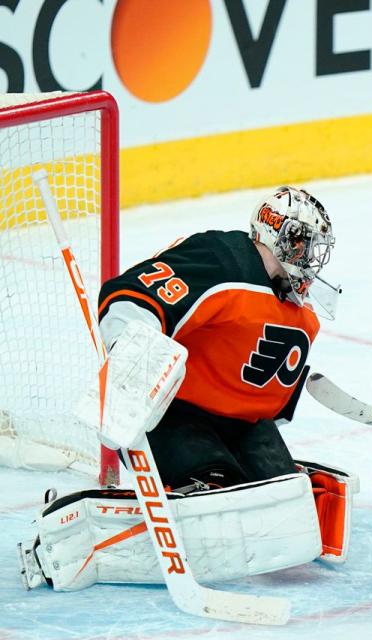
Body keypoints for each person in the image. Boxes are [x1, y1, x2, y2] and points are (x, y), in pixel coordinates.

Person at [18, 186, 354, 592]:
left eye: (313, 247)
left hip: (243, 424)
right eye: (301, 242)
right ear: (273, 231)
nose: (308, 257)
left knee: (285, 503)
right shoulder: (224, 257)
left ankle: (230, 485)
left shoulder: (298, 305)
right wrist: (133, 370)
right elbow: (127, 296)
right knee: (212, 501)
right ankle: (71, 538)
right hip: (175, 412)